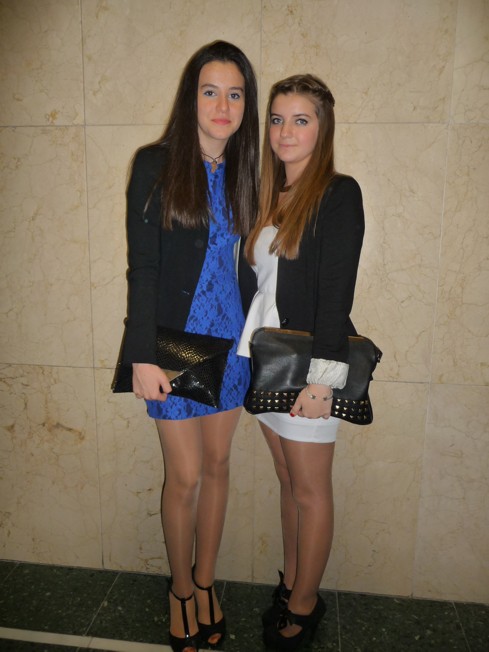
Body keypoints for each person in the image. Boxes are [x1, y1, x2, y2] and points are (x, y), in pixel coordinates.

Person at [119, 41, 259, 652]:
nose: (223, 105)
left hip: (231, 340)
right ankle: (180, 590)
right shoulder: (155, 164)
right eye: (210, 91)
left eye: (235, 93)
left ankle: (206, 582)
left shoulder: (249, 171)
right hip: (174, 343)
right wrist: (142, 354)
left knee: (220, 467)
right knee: (185, 475)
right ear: (190, 97)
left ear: (246, 104)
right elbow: (143, 266)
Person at [237, 74, 365, 650]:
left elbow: (337, 291)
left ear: (322, 127)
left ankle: (306, 605)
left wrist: (323, 381)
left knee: (311, 491)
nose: (285, 131)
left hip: (310, 370)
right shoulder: (269, 197)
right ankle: (292, 582)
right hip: (267, 364)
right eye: (277, 119)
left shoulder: (338, 193)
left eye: (300, 120)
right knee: (288, 480)